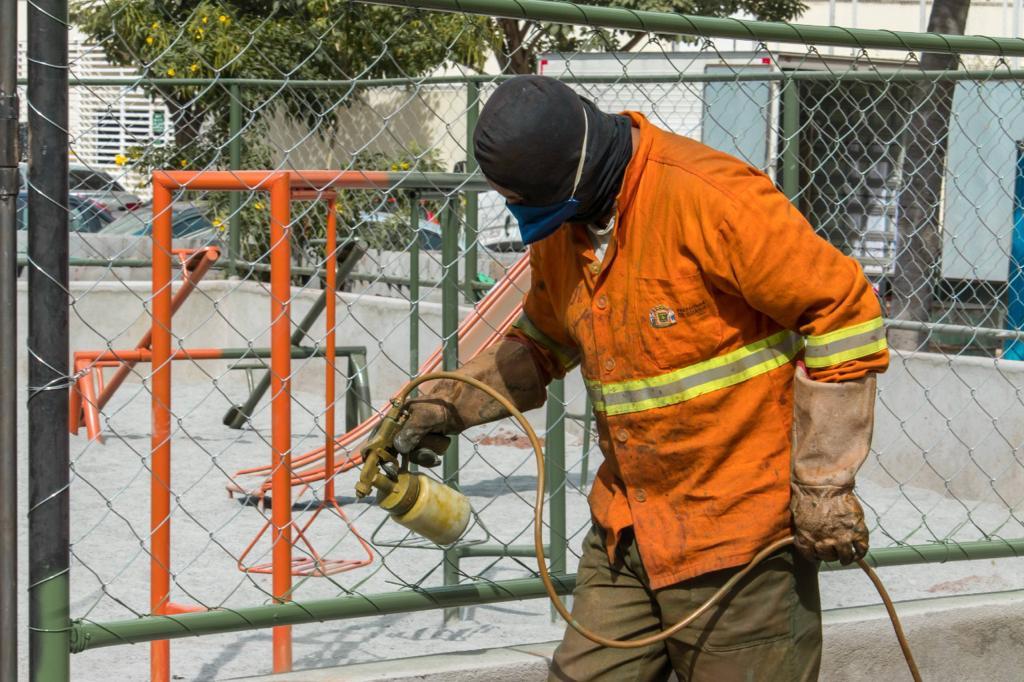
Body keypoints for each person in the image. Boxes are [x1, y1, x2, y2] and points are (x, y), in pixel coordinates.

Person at [393, 75, 888, 681]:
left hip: (740, 539)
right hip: (629, 529)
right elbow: (543, 343)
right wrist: (446, 404)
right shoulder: (568, 228)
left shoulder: (710, 198)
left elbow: (843, 311)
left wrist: (824, 482)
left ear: (573, 179)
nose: (527, 219)